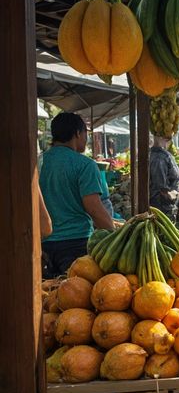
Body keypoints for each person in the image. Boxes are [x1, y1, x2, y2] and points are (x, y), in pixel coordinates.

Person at [40, 112, 114, 276]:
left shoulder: (39, 163)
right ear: (77, 133)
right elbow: (94, 209)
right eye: (85, 134)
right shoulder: (85, 165)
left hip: (44, 245)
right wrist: (115, 236)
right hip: (75, 244)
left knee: (49, 297)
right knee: (74, 298)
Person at [149, 134, 179, 219]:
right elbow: (161, 187)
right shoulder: (160, 157)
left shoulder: (162, 155)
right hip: (163, 208)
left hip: (164, 206)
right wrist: (172, 200)